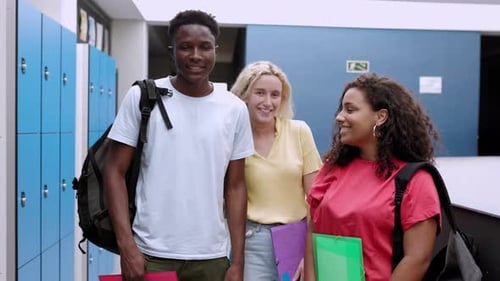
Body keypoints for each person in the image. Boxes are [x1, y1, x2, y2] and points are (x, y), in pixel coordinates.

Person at [104, 10, 254, 281]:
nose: (195, 55)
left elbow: (236, 185)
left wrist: (238, 261)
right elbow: (114, 171)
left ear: (215, 50)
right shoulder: (142, 97)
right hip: (151, 253)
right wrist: (127, 248)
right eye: (186, 47)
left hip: (212, 256)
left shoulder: (234, 108)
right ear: (173, 50)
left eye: (204, 47)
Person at [304, 73, 441, 281]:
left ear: (381, 116)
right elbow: (312, 233)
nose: (340, 117)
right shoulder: (332, 168)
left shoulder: (415, 179)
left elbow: (417, 259)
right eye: (341, 109)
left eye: (350, 109)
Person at [230, 61, 322, 281]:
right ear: (245, 96)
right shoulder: (234, 138)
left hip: (296, 238)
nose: (268, 102)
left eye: (275, 95)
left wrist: (308, 253)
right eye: (260, 93)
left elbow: (316, 199)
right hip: (252, 241)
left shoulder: (299, 131)